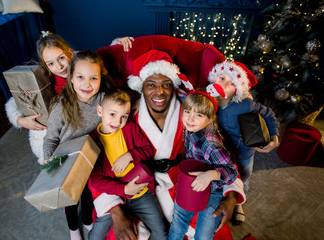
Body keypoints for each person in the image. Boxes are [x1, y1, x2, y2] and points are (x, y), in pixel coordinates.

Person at [93, 49, 246, 240]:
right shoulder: (125, 119)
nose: (159, 91)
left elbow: (221, 153)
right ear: (141, 87)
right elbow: (100, 167)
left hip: (186, 182)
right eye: (151, 84)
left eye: (166, 84)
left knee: (213, 232)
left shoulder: (190, 114)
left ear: (174, 86)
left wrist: (231, 197)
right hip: (142, 186)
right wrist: (116, 212)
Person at [5, 33, 134, 164]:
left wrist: (117, 45)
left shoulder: (84, 68)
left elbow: (97, 61)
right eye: (50, 63)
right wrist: (20, 120)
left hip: (92, 124)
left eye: (61, 58)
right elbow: (19, 99)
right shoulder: (48, 81)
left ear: (70, 53)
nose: (59, 66)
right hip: (66, 126)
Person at [43, 50, 116, 240]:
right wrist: (49, 157)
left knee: (88, 194)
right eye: (81, 77)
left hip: (94, 157)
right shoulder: (61, 106)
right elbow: (50, 138)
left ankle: (87, 221)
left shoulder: (104, 99)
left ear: (101, 78)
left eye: (93, 78)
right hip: (69, 160)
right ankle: (73, 227)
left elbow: (121, 104)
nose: (87, 84)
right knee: (71, 198)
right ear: (71, 78)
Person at [206, 61, 280, 225]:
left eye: (232, 83)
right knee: (221, 176)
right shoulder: (208, 101)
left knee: (243, 178)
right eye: (222, 78)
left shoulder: (245, 104)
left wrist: (274, 137)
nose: (225, 84)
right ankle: (222, 198)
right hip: (219, 152)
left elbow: (268, 114)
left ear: (238, 90)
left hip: (244, 152)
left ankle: (239, 203)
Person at [88, 89, 167, 240]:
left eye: (123, 116)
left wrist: (130, 155)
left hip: (140, 193)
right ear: (100, 110)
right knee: (95, 237)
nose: (117, 122)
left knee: (161, 233)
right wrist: (123, 189)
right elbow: (95, 180)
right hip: (114, 196)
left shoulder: (129, 128)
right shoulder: (93, 142)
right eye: (112, 114)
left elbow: (147, 149)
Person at [167, 90, 238, 240]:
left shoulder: (211, 143)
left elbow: (231, 172)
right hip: (191, 183)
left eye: (199, 115)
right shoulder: (190, 128)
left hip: (212, 190)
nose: (190, 119)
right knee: (178, 223)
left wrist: (212, 174)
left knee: (203, 235)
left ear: (210, 119)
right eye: (187, 112)